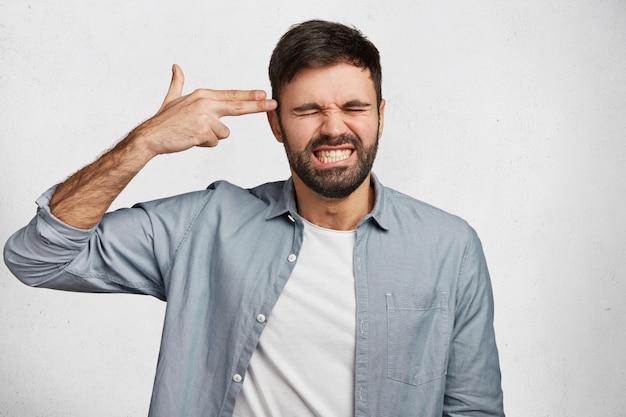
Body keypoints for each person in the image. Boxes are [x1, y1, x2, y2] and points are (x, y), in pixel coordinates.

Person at [4, 20, 504, 416]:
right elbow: (36, 259)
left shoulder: (449, 248)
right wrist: (144, 143)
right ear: (275, 122)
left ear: (380, 114)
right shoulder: (206, 225)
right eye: (309, 110)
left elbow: (472, 409)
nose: (335, 128)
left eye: (355, 107)